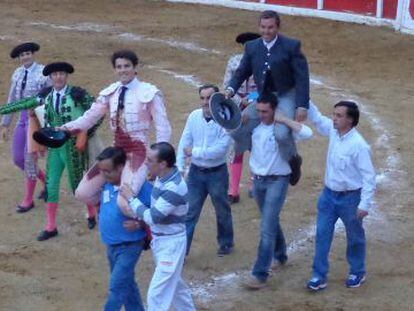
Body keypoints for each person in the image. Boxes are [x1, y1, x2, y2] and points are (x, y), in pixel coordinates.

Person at [59, 49, 171, 215]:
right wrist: (65, 128)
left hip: (139, 152)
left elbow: (163, 128)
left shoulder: (149, 93)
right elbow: (89, 118)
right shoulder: (111, 92)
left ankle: (148, 233)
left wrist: (159, 161)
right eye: (119, 66)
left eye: (127, 66)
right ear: (115, 69)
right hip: (116, 151)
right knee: (82, 193)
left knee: (124, 203)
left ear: (135, 67)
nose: (123, 70)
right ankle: (111, 212)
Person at [225, 10, 310, 186]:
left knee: (280, 134)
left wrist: (302, 105)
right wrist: (230, 89)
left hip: (285, 95)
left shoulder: (291, 46)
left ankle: (293, 159)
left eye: (270, 27)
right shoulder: (252, 47)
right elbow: (242, 72)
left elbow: (302, 77)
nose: (266, 31)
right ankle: (260, 158)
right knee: (238, 130)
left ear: (277, 27)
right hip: (263, 96)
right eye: (263, 27)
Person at [243, 92, 313, 290]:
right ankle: (280, 254)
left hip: (278, 181)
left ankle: (260, 274)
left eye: (265, 111)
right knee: (270, 220)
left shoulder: (282, 129)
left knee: (266, 227)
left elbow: (308, 133)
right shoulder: (254, 126)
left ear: (274, 109)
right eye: (259, 111)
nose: (262, 114)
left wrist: (285, 120)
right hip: (258, 181)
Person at [306, 101, 376, 291]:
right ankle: (319, 275)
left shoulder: (359, 145)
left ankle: (358, 271)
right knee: (322, 235)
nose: (334, 118)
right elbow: (317, 118)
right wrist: (305, 99)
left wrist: (364, 205)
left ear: (350, 120)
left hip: (350, 199)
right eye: (334, 114)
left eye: (338, 116)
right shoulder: (334, 132)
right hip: (328, 196)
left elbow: (369, 178)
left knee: (355, 237)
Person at [120, 142, 196, 311]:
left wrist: (131, 199)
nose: (146, 163)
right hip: (163, 241)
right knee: (176, 289)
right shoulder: (163, 178)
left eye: (150, 160)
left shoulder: (174, 187)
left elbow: (153, 217)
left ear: (162, 164)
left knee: (156, 295)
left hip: (170, 245)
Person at [177, 84, 234, 256]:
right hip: (195, 173)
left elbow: (220, 150)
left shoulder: (227, 120)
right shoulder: (194, 116)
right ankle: (182, 251)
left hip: (217, 172)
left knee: (222, 210)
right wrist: (180, 166)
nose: (205, 102)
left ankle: (226, 243)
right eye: (202, 98)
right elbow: (184, 140)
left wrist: (193, 152)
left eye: (209, 98)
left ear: (216, 100)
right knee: (189, 212)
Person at [97, 146, 152, 311]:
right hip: (111, 246)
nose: (104, 175)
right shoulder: (107, 185)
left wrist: (141, 224)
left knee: (117, 287)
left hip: (130, 245)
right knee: (126, 284)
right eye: (102, 171)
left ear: (121, 168)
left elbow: (158, 215)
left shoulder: (139, 187)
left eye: (108, 171)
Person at [0, 42, 50, 212]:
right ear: (19, 58)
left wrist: (46, 126)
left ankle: (28, 200)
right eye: (22, 55)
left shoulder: (44, 73)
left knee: (29, 159)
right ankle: (47, 182)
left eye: (28, 53)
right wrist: (5, 124)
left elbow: (50, 99)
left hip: (37, 120)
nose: (25, 57)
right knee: (17, 158)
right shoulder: (17, 73)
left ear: (33, 54)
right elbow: (12, 99)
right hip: (23, 119)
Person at [223, 32, 260, 204]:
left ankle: (254, 185)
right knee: (236, 147)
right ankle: (234, 189)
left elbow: (267, 88)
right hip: (237, 109)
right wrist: (240, 103)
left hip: (256, 110)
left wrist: (250, 101)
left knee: (256, 147)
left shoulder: (265, 63)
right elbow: (227, 86)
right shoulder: (234, 61)